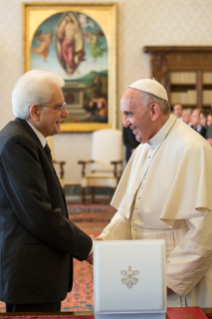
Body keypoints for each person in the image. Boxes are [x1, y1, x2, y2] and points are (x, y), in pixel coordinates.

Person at [95, 79, 212, 308]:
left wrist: (167, 280)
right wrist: (104, 242)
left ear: (154, 110)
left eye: (128, 114)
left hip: (179, 285)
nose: (125, 123)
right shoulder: (142, 149)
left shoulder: (193, 149)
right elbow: (129, 212)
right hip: (144, 274)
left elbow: (204, 232)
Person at [0, 70, 93, 312]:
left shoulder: (27, 138)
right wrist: (88, 248)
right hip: (30, 276)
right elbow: (38, 214)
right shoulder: (16, 142)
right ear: (35, 111)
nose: (66, 113)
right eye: (59, 106)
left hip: (36, 274)